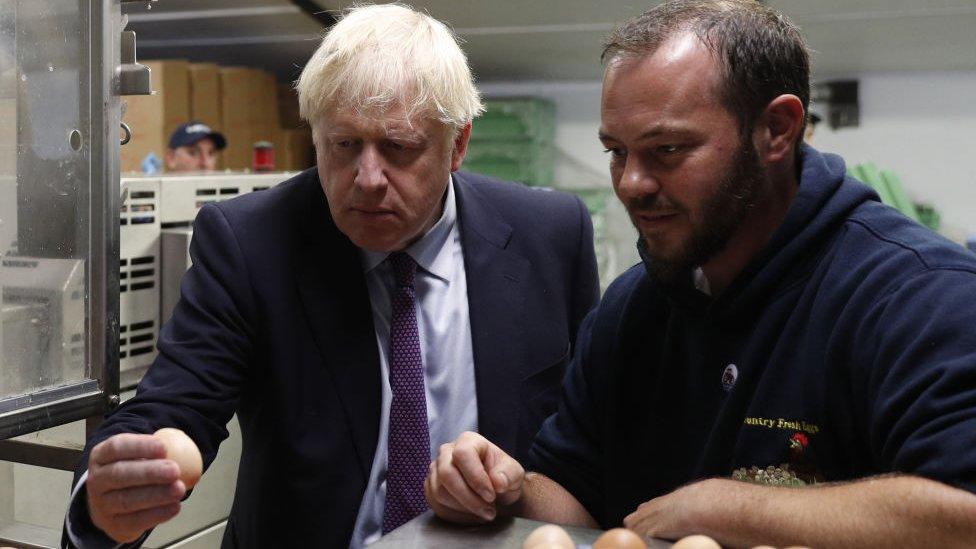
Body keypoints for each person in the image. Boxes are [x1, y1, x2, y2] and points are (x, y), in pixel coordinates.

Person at [426, 1, 976, 547]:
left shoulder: (919, 296)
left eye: (667, 150)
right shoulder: (630, 311)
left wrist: (726, 506)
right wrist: (506, 490)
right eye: (617, 152)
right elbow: (577, 500)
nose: (631, 184)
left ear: (777, 130)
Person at [63, 4, 599, 548]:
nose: (367, 179)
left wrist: (518, 487)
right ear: (315, 138)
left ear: (458, 144)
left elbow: (584, 435)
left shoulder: (549, 236)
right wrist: (109, 496)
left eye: (399, 147)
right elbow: (176, 402)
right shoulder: (253, 242)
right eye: (344, 146)